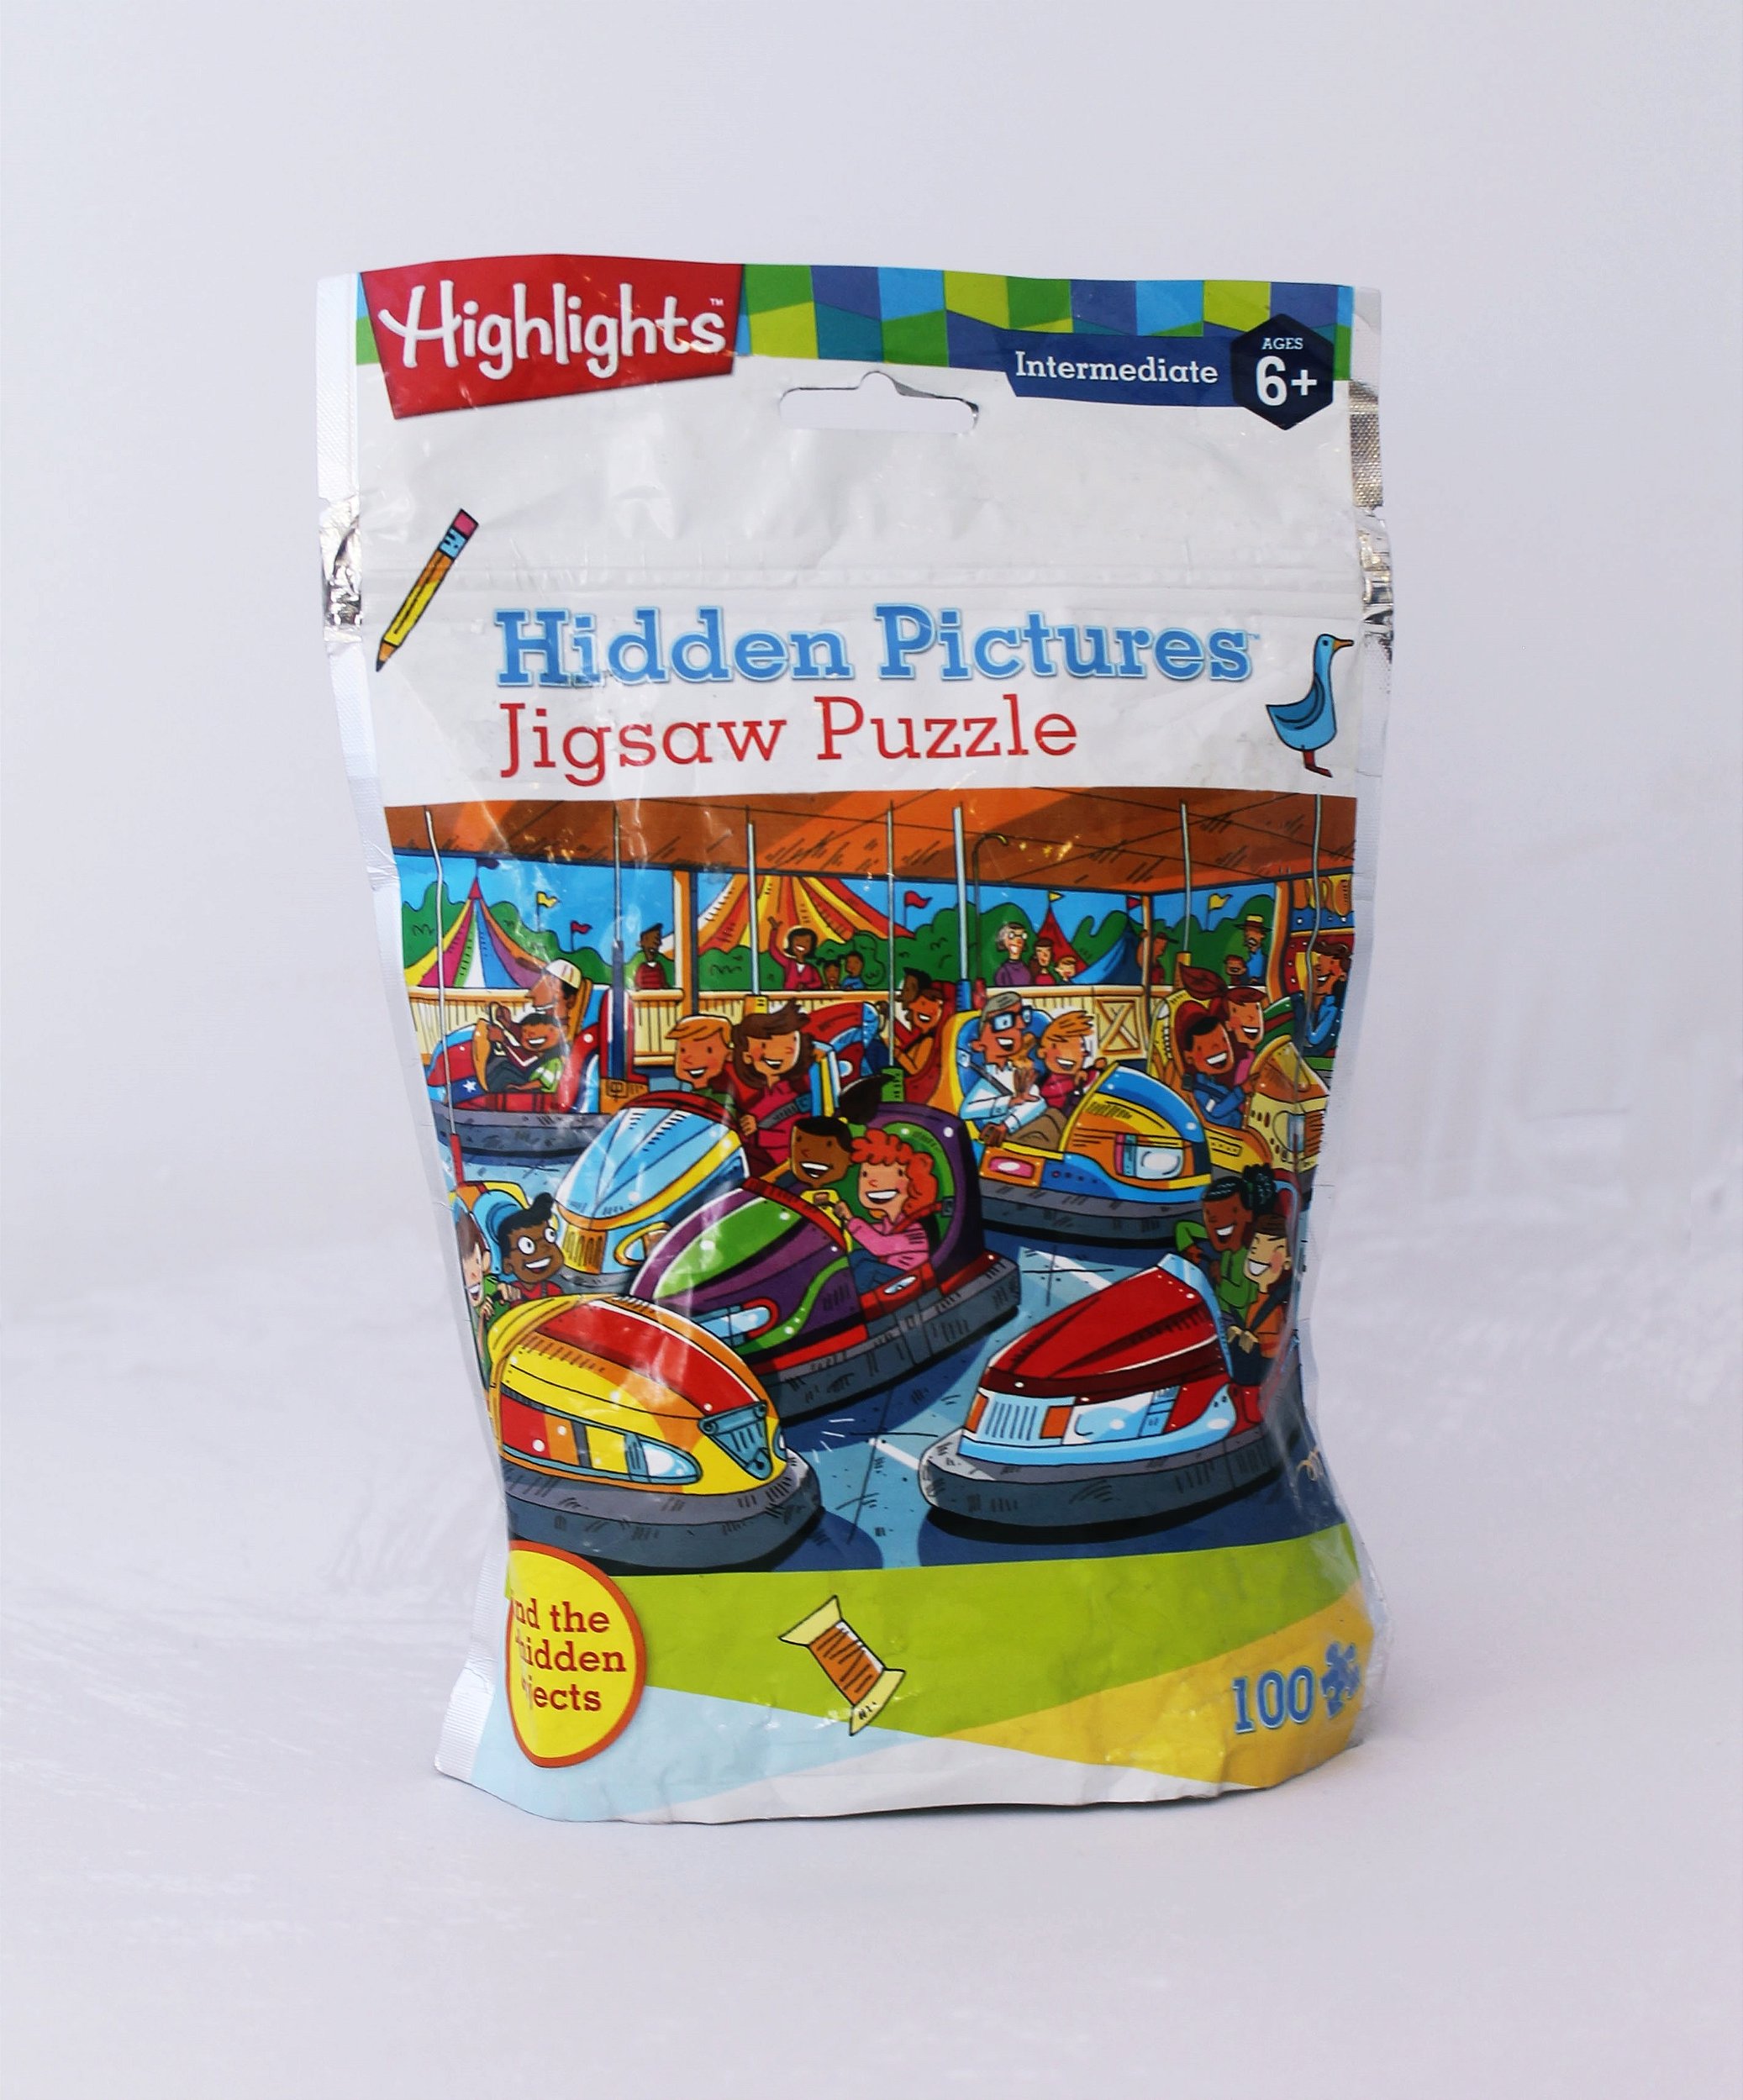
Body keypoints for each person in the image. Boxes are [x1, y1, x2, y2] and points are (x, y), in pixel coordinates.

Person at [729, 1001, 817, 1175]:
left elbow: (794, 1137)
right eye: (764, 1045)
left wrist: (758, 1134)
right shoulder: (762, 1097)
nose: (778, 1051)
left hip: (783, 1168)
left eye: (789, 1044)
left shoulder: (798, 1095)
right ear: (746, 1056)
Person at [843, 1128, 938, 1283]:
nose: (873, 1182)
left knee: (867, 1268)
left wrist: (850, 1219)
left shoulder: (917, 1228)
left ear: (914, 1182)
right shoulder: (891, 1222)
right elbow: (874, 1232)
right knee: (856, 1257)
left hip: (909, 1278)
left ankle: (853, 1298)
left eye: (892, 1174)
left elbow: (880, 1245)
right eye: (865, 1175)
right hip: (891, 1269)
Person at [960, 989, 1046, 1142]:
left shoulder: (1017, 1075)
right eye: (1004, 1021)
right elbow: (966, 1111)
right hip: (1011, 1138)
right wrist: (1010, 1102)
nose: (1020, 1026)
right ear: (978, 1044)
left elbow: (1038, 1103)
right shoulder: (985, 1082)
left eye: (1022, 1018)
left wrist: (1007, 1125)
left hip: (1021, 1128)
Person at [1225, 1212, 1294, 1387]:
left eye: (1270, 1248)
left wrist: (1257, 1343)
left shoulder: (1277, 1306)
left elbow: (1278, 1346)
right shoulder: (1255, 1300)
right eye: (1256, 1245)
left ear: (1287, 1262)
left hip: (1264, 1373)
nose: (1257, 1252)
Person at [1176, 1004, 1246, 1129]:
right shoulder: (1200, 1091)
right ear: (1189, 1057)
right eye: (1206, 1046)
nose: (1218, 1048)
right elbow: (1216, 1111)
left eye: (1224, 1040)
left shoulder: (1216, 1085)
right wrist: (1241, 1091)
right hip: (1223, 1134)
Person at [783, 1113, 855, 1225]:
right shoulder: (789, 1194)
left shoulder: (846, 1196)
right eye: (799, 1140)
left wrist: (849, 1220)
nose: (806, 1152)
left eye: (828, 1145)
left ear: (850, 1157)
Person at [496, 1192, 566, 1301]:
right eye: (527, 1246)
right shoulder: (507, 1293)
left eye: (550, 1236)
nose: (544, 1247)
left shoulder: (554, 1291)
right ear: (507, 1265)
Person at [895, 977, 950, 1104]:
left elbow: (915, 1070)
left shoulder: (928, 1041)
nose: (912, 1006)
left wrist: (898, 1054)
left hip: (911, 1086)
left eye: (923, 1004)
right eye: (920, 1003)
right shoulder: (922, 1036)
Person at [1292, 944, 1348, 1058]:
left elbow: (1314, 1038)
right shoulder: (1311, 998)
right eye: (1319, 959)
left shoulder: (1331, 1008)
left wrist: (1304, 1009)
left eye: (1331, 963)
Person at [666, 1013, 735, 1103]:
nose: (689, 1058)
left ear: (728, 1054)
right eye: (683, 1050)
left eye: (708, 1050)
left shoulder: (722, 1099)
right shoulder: (682, 1098)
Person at [1224, 980, 1268, 1092]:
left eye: (1257, 1009)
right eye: (1237, 1011)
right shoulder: (1238, 1061)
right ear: (1228, 1024)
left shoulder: (1263, 1053)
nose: (1251, 1017)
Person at [778, 927, 824, 992]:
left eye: (807, 941)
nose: (801, 943)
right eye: (797, 940)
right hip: (788, 995)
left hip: (806, 996)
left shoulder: (811, 968)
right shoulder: (788, 963)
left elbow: (819, 983)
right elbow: (774, 951)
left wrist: (806, 986)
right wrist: (774, 931)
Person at [992, 921, 1033, 987]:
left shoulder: (1027, 971)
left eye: (1022, 936)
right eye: (1012, 936)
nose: (1018, 940)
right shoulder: (1002, 972)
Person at [635, 924, 670, 990]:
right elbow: (637, 986)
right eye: (656, 939)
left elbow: (664, 985)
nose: (658, 944)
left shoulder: (659, 968)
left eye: (658, 940)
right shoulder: (642, 968)